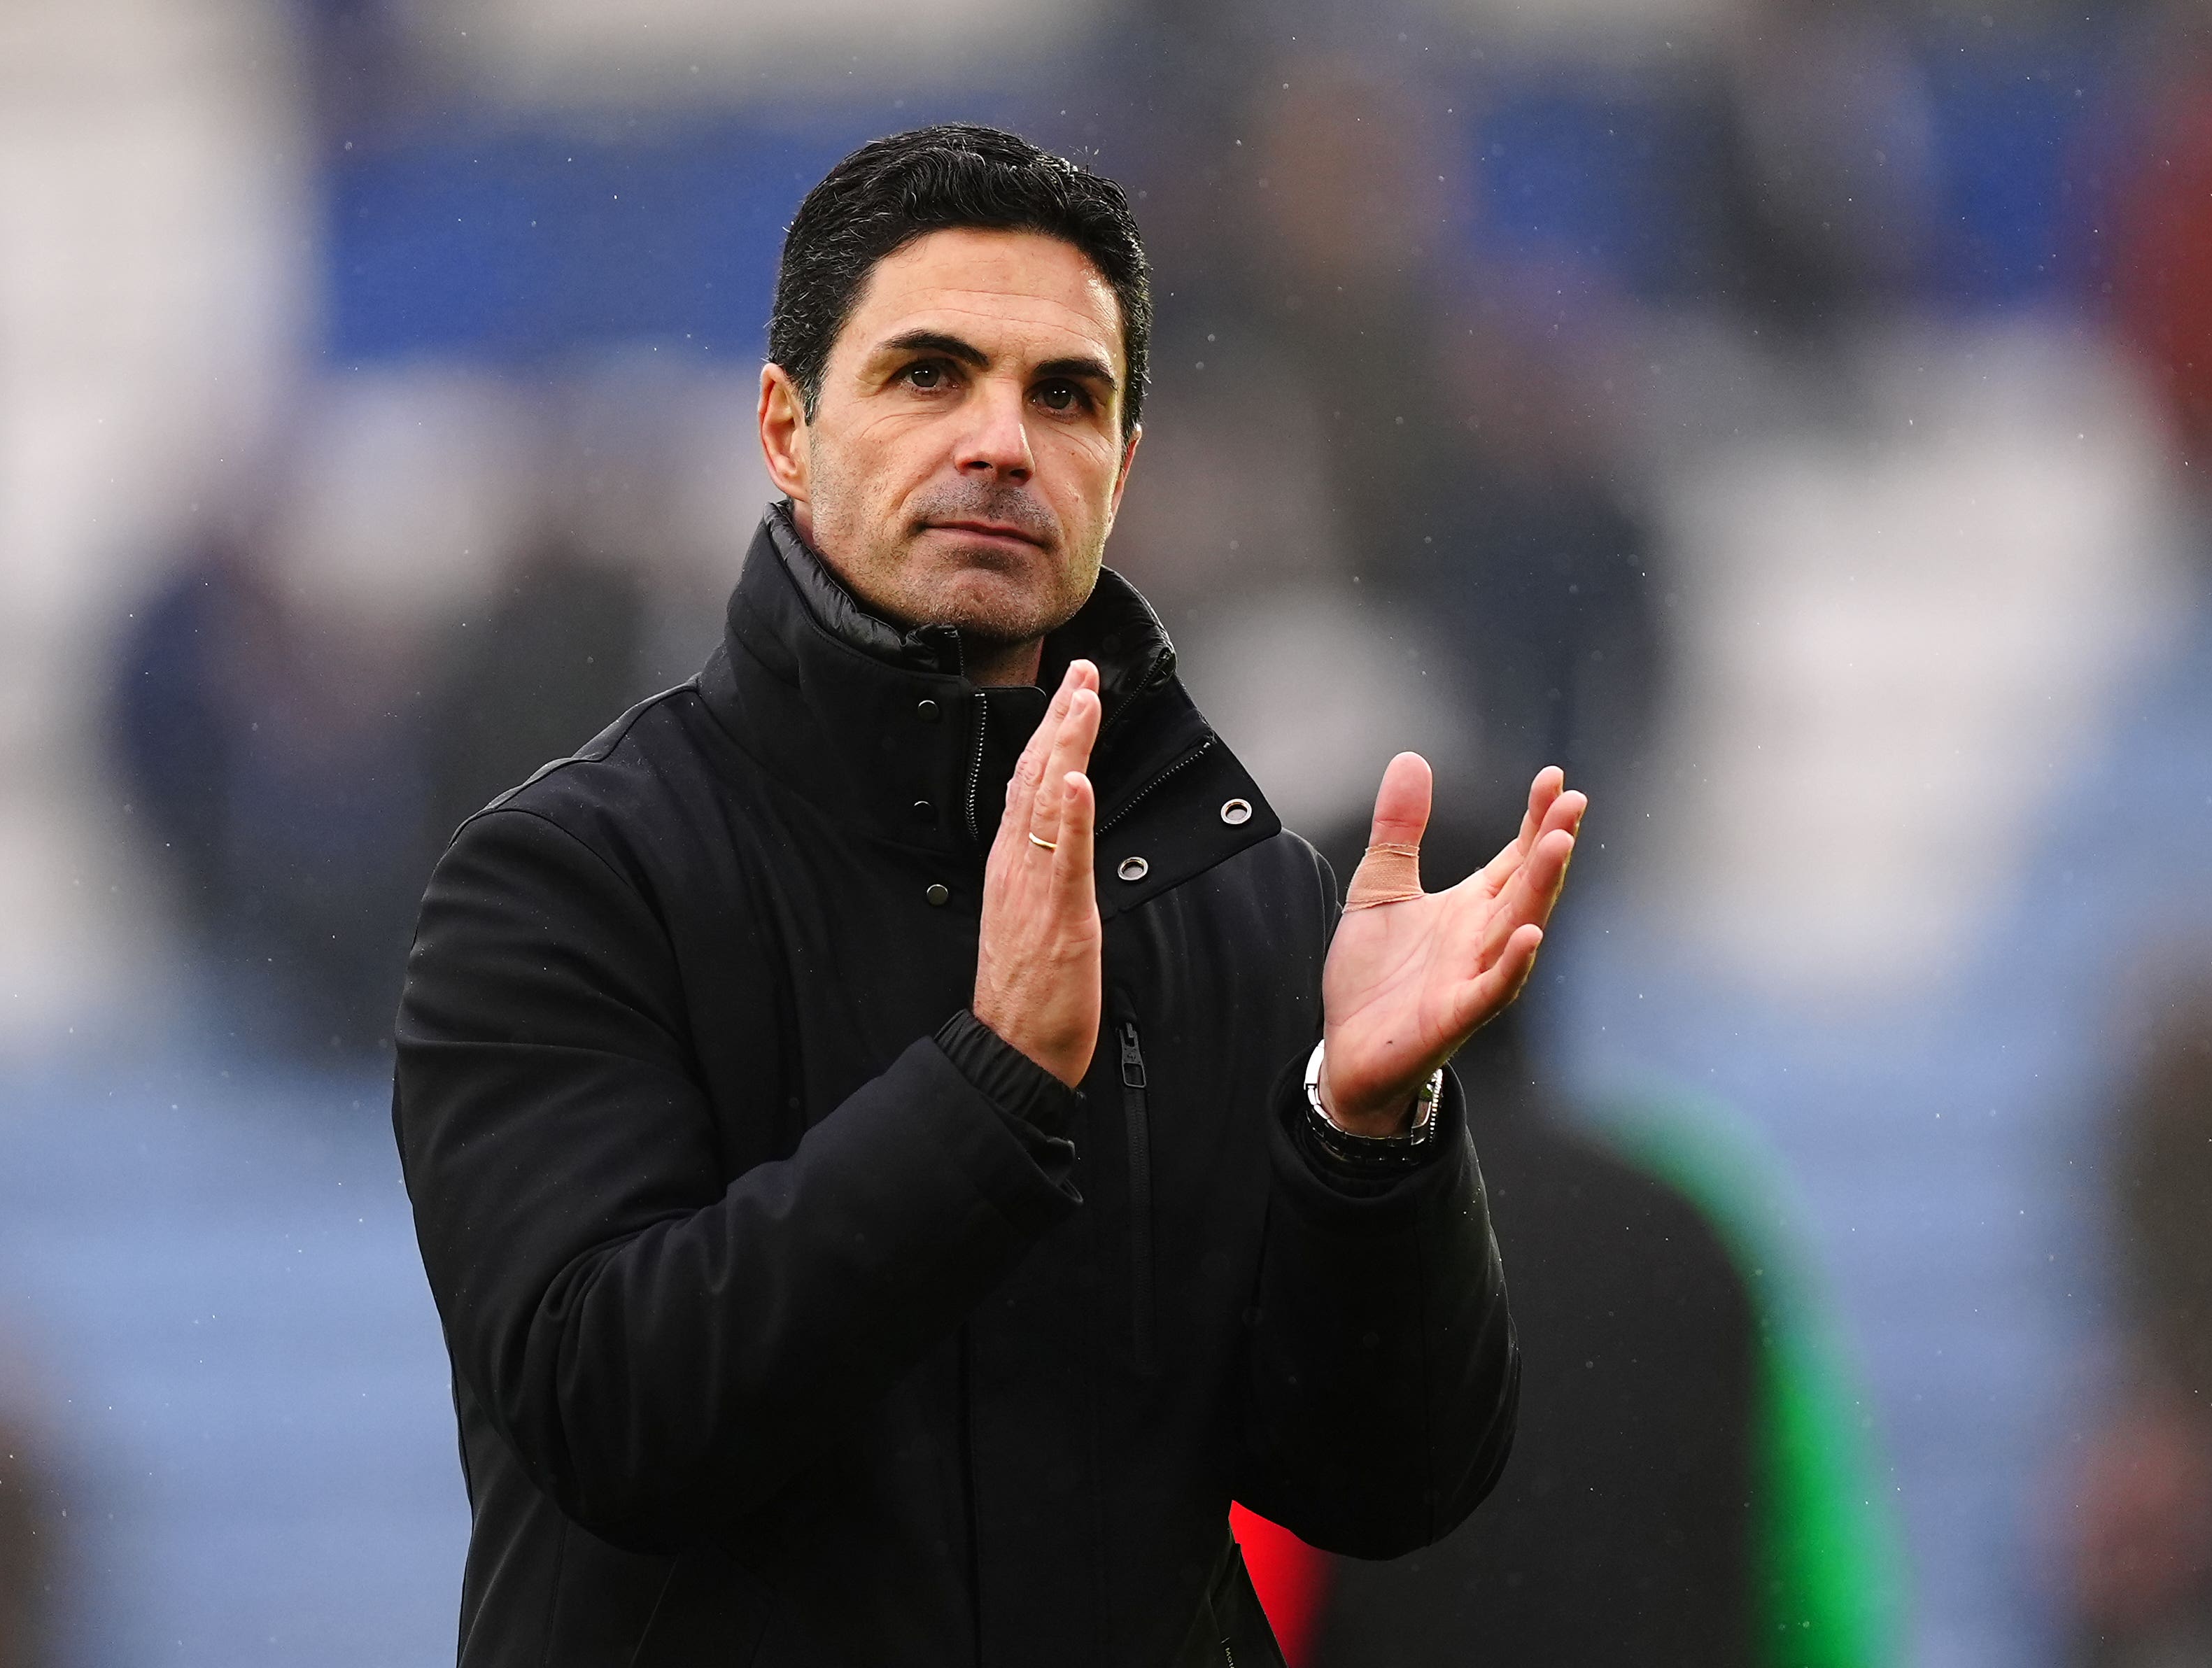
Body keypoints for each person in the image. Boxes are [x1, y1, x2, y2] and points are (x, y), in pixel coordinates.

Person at [393, 124, 1586, 1666]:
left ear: (1123, 468)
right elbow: (613, 1412)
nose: (1002, 443)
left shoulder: (1230, 897)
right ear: (785, 426)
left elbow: (1389, 1482)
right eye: (926, 374)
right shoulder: (565, 880)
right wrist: (993, 1084)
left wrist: (1369, 1143)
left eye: (1065, 396)